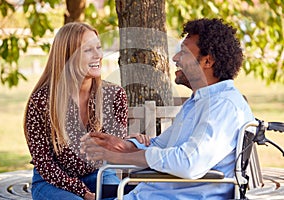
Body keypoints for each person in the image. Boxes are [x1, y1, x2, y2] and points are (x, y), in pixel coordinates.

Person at [81, 18, 255, 199]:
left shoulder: (224, 106)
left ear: (207, 61)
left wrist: (123, 158)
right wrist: (124, 146)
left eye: (184, 52)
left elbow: (189, 162)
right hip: (149, 193)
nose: (175, 58)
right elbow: (162, 145)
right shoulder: (199, 102)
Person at [23, 22, 129, 200]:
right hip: (51, 181)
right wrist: (82, 192)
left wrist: (131, 143)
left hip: (99, 174)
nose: (99, 55)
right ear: (68, 56)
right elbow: (44, 163)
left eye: (99, 47)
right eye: (88, 50)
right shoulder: (42, 101)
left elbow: (114, 149)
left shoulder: (114, 95)